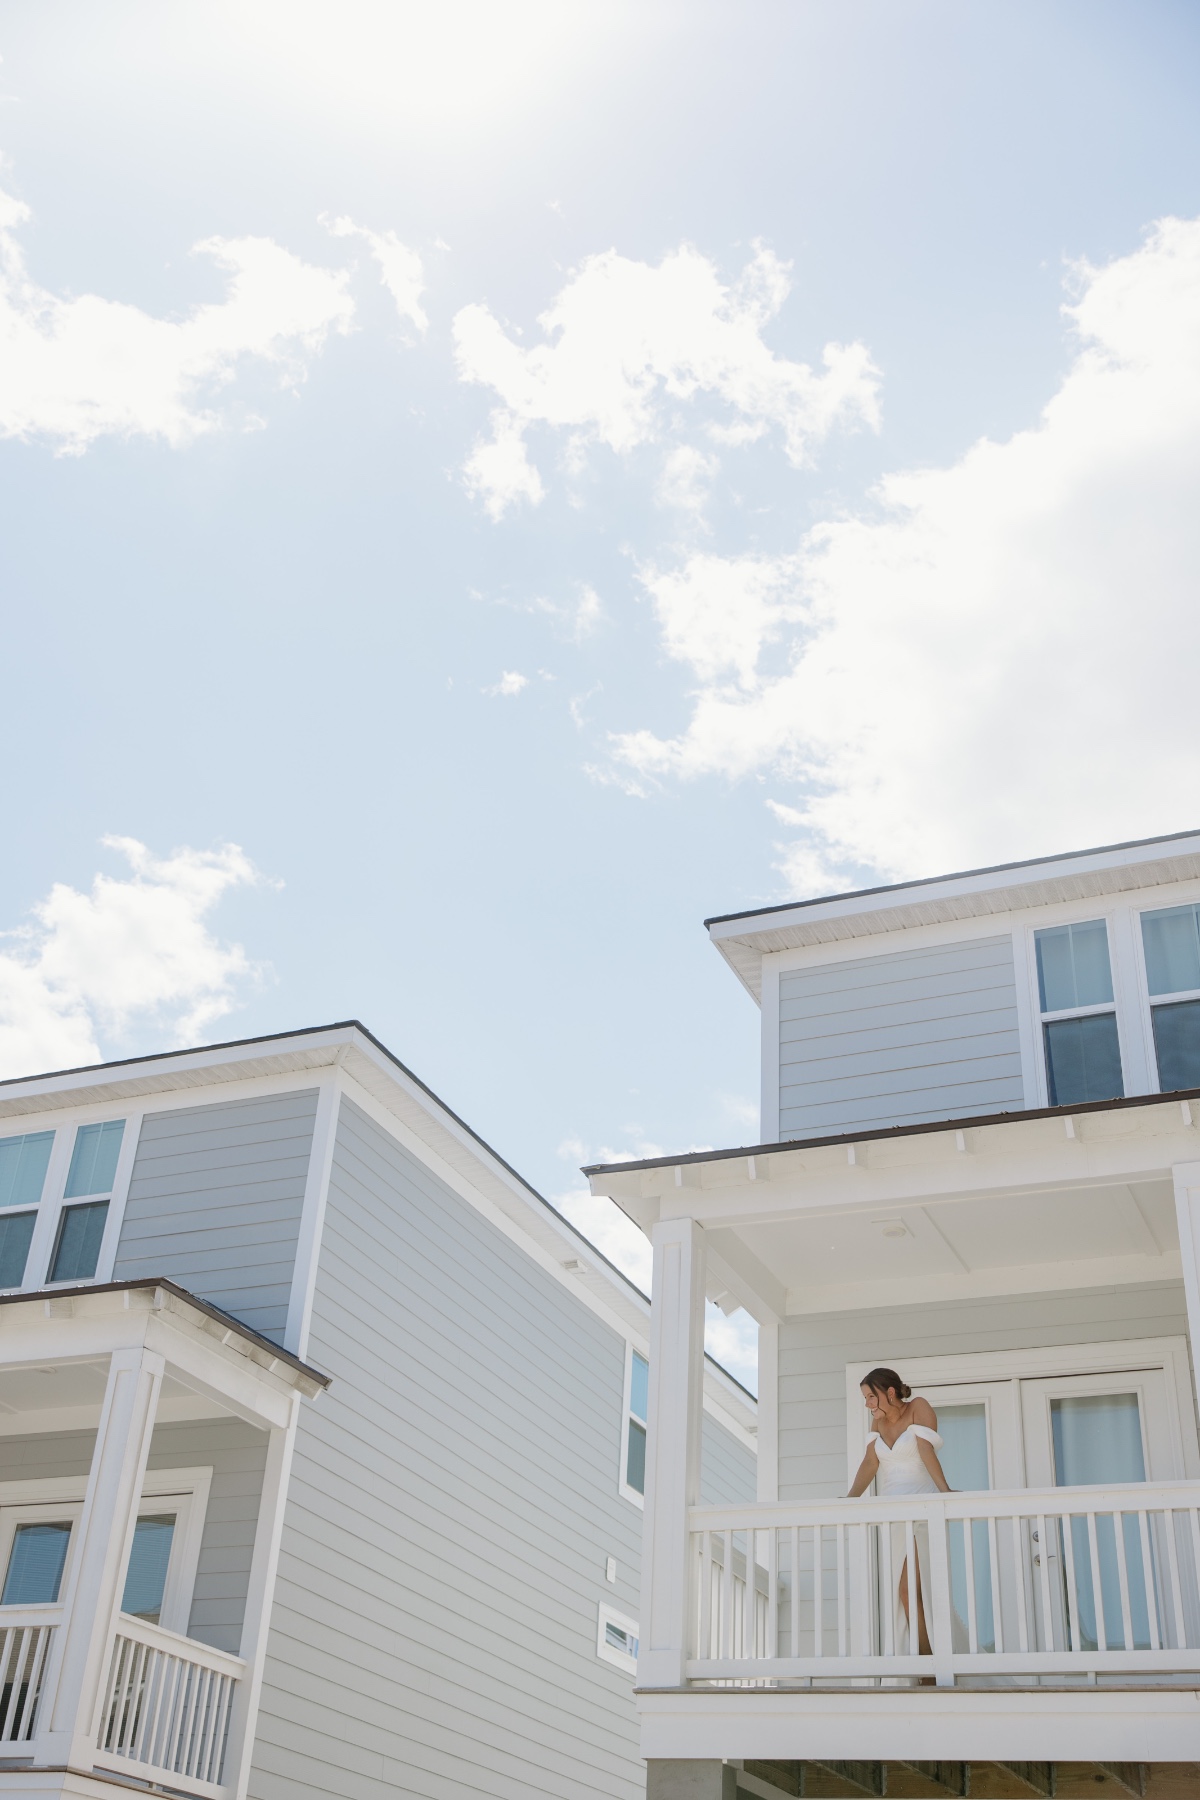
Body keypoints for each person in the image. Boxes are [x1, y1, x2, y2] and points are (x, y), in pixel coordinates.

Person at [846, 1367, 953, 1669]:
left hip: (921, 1511)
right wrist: (850, 1500)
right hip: (891, 1517)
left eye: (870, 1396)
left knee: (913, 1591)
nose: (867, 1403)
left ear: (888, 1392)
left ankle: (931, 1668)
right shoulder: (877, 1421)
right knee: (900, 1594)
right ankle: (920, 1664)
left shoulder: (918, 1406)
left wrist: (945, 1492)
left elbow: (925, 1449)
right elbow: (870, 1462)